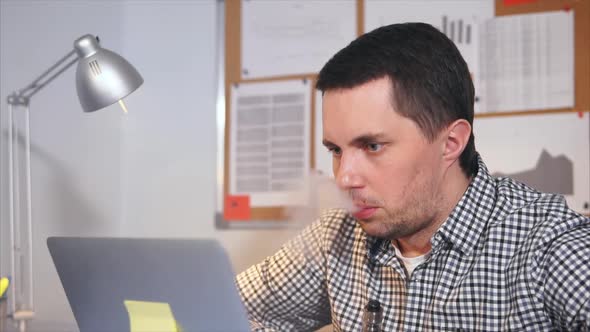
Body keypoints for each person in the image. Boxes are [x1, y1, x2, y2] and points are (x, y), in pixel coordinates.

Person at [236, 22, 590, 331]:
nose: (344, 178)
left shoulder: (548, 246)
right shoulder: (337, 238)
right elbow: (219, 312)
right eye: (336, 150)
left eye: (372, 146)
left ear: (450, 142)